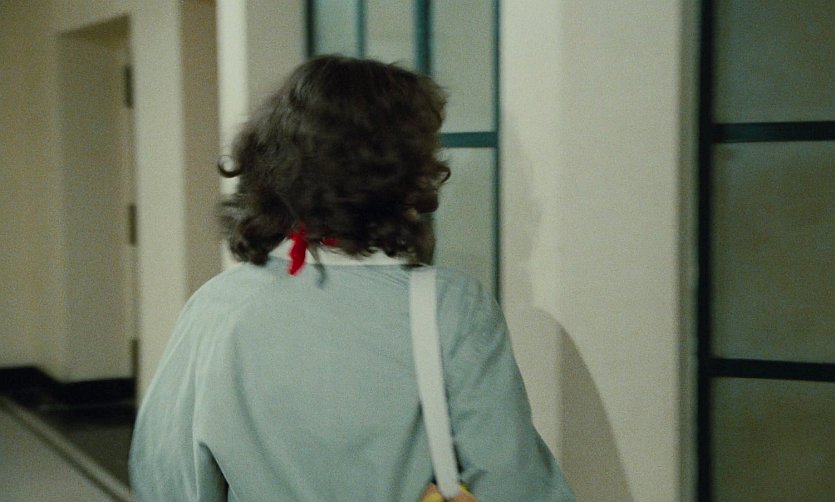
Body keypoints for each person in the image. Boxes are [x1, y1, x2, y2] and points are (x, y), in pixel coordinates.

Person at [129, 56, 575, 501]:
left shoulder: (218, 307)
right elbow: (514, 485)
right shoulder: (450, 307)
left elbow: (166, 479)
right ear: (402, 173)